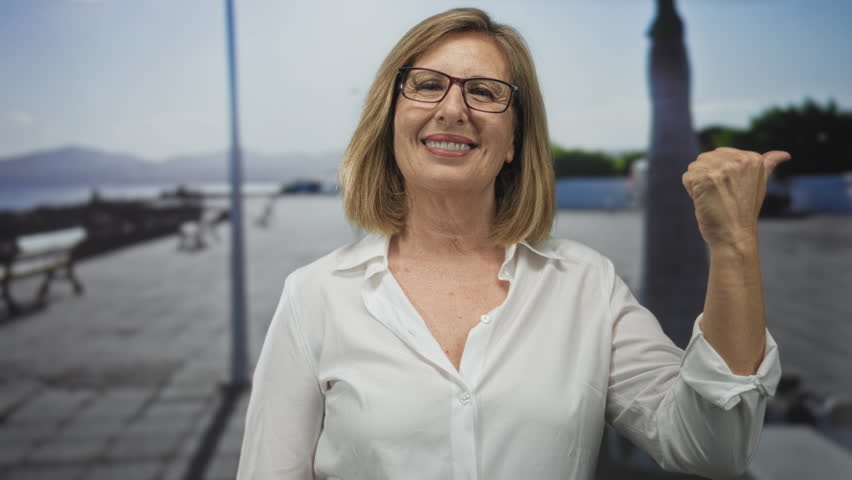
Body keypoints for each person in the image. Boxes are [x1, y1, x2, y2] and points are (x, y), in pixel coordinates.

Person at [237, 8, 785, 480]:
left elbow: (712, 448)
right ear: (390, 122)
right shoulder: (314, 296)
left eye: (484, 91)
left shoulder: (586, 285)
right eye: (428, 85)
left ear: (513, 144)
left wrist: (734, 244)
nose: (453, 109)